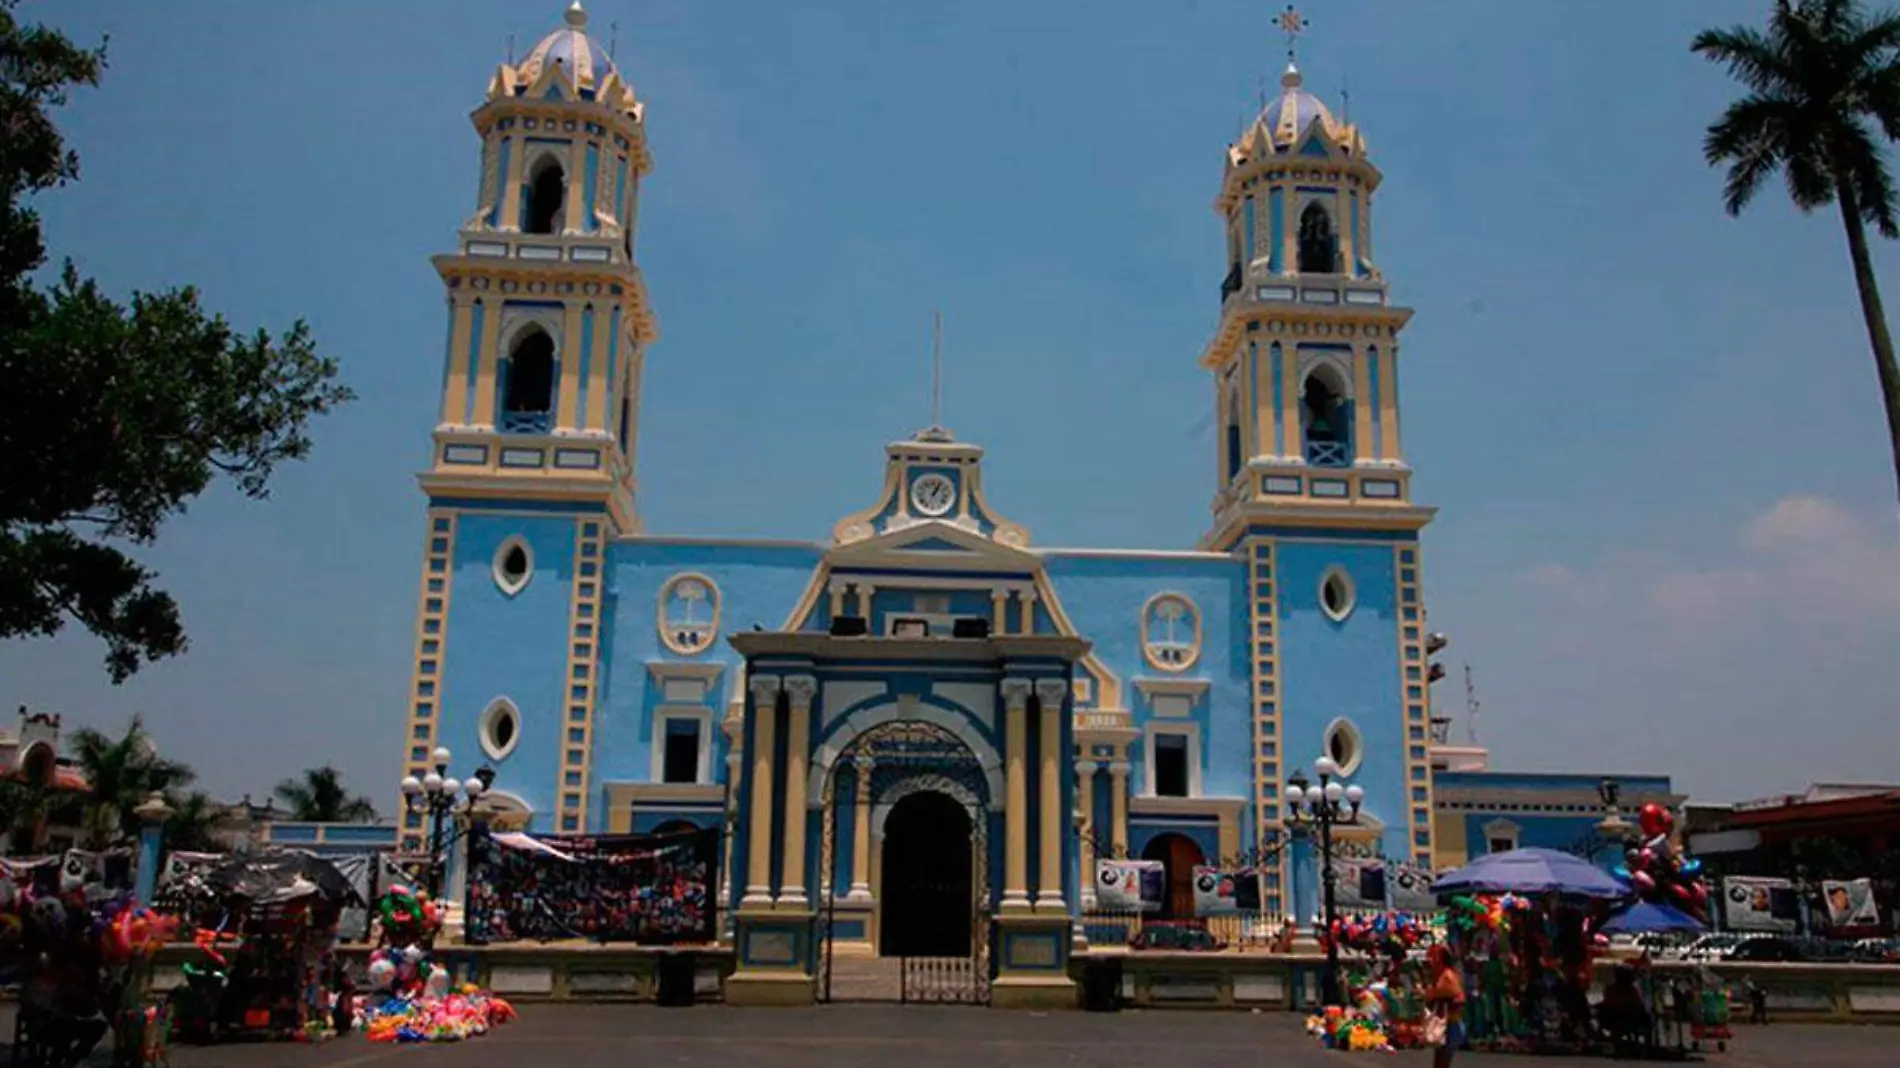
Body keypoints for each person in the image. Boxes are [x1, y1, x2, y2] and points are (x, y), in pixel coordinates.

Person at [1424, 945, 1466, 1068]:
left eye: (1434, 956)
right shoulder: (1438, 975)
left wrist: (1441, 1002)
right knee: (1439, 1058)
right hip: (1443, 1023)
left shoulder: (1448, 976)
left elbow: (1460, 998)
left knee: (1443, 1059)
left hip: (1451, 1023)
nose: (1430, 960)